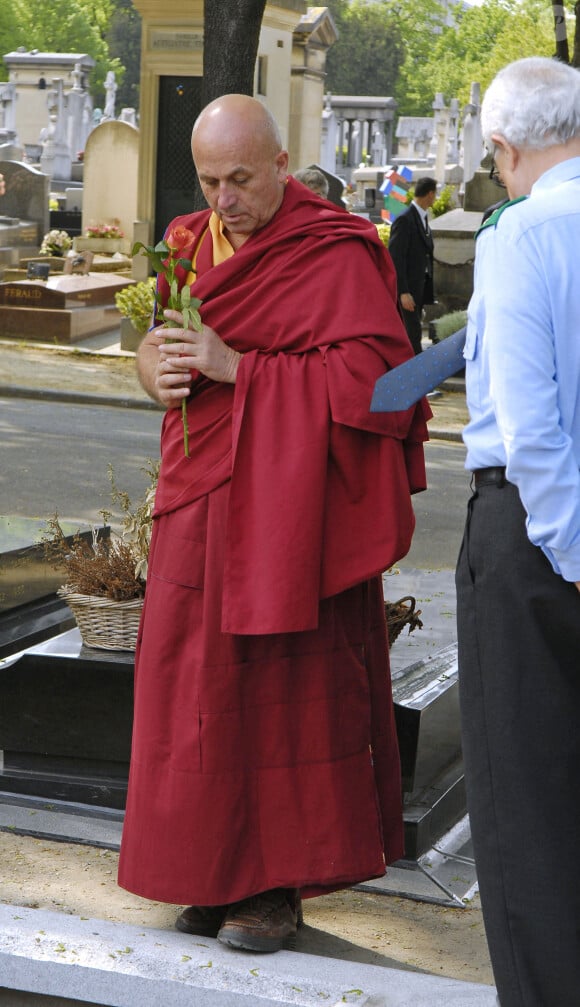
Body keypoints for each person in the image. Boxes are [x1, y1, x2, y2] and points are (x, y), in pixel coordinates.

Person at [117, 93, 429, 954]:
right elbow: (150, 343)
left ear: (282, 165)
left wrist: (237, 367)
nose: (224, 200)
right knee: (195, 693)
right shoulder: (185, 243)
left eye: (241, 179)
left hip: (291, 516)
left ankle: (272, 889)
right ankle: (205, 872)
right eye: (211, 181)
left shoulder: (333, 251)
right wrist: (156, 369)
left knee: (281, 694)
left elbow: (384, 389)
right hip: (197, 502)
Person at [455, 57, 580, 1007]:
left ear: (505, 148)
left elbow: (532, 430)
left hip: (538, 539)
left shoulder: (521, 230)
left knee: (527, 811)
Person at [388, 177, 437, 355]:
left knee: (414, 332)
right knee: (411, 334)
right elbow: (396, 256)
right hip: (408, 290)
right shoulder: (405, 219)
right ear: (430, 194)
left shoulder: (422, 218)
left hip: (419, 287)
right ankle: (412, 373)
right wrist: (403, 291)